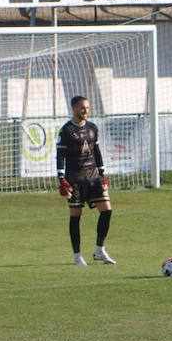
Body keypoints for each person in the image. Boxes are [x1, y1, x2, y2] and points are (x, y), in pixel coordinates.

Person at [57, 96, 115, 266]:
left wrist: (102, 173)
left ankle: (99, 250)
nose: (86, 111)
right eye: (83, 108)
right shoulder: (66, 130)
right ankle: (77, 255)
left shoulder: (92, 128)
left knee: (107, 210)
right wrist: (61, 178)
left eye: (87, 108)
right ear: (74, 108)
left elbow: (96, 151)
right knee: (76, 217)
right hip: (75, 179)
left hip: (93, 177)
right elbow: (60, 155)